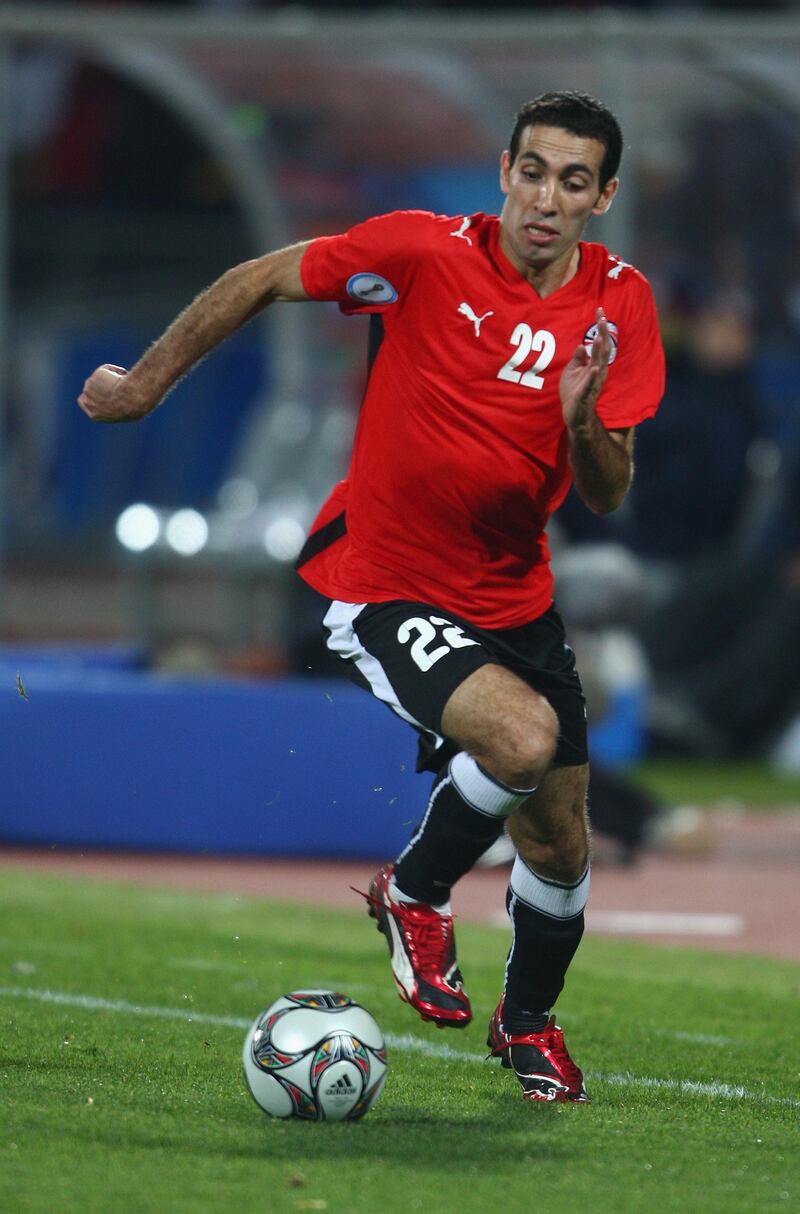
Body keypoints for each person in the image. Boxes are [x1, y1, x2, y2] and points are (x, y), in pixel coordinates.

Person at [78, 91, 665, 1103]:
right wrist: (143, 386)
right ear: (502, 171)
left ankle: (525, 1022)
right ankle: (414, 888)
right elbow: (261, 276)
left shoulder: (620, 304)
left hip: (512, 595)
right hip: (383, 577)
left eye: (573, 180)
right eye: (532, 170)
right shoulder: (419, 252)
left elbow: (609, 490)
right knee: (518, 743)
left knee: (560, 838)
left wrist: (582, 425)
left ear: (600, 196)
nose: (545, 197)